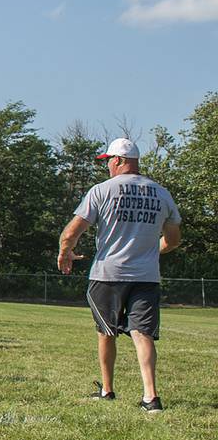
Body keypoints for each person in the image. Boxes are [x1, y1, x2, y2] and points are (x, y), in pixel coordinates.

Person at [58, 137, 181, 410]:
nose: (108, 168)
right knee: (143, 334)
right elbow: (173, 240)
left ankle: (108, 390)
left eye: (108, 162)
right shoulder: (161, 193)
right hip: (147, 276)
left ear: (118, 161)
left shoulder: (102, 190)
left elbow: (73, 231)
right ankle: (151, 397)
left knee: (106, 332)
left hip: (108, 274)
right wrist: (151, 251)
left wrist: (65, 252)